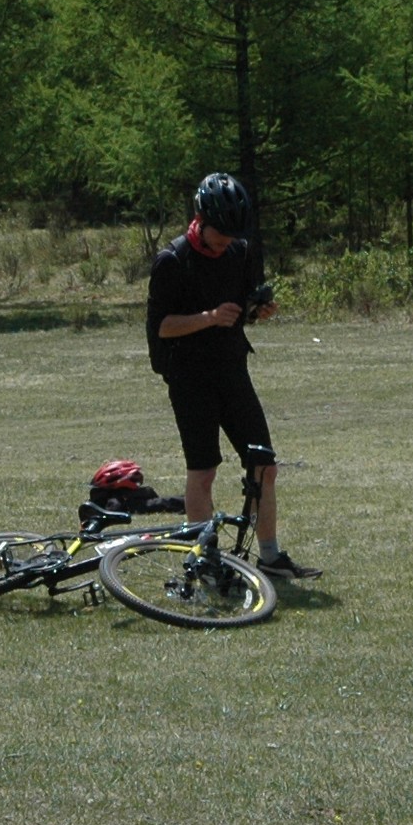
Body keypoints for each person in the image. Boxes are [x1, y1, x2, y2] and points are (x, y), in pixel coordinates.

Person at [146, 172, 312, 581]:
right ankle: (205, 560)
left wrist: (256, 312)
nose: (224, 245)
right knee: (203, 471)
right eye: (220, 236)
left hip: (232, 370)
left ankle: (270, 556)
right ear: (201, 219)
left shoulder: (237, 253)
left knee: (264, 466)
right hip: (189, 377)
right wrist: (208, 318)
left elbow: (238, 310)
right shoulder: (172, 260)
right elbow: (162, 327)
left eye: (232, 237)